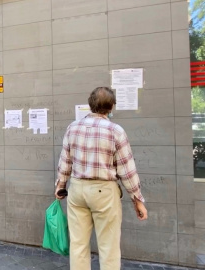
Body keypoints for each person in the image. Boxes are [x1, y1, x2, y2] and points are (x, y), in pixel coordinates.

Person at [55, 86, 148, 270]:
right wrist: (137, 199)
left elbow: (65, 161)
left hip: (77, 190)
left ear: (90, 104)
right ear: (111, 106)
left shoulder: (73, 128)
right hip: (104, 192)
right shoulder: (116, 131)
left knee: (78, 245)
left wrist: (60, 185)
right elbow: (127, 170)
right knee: (109, 247)